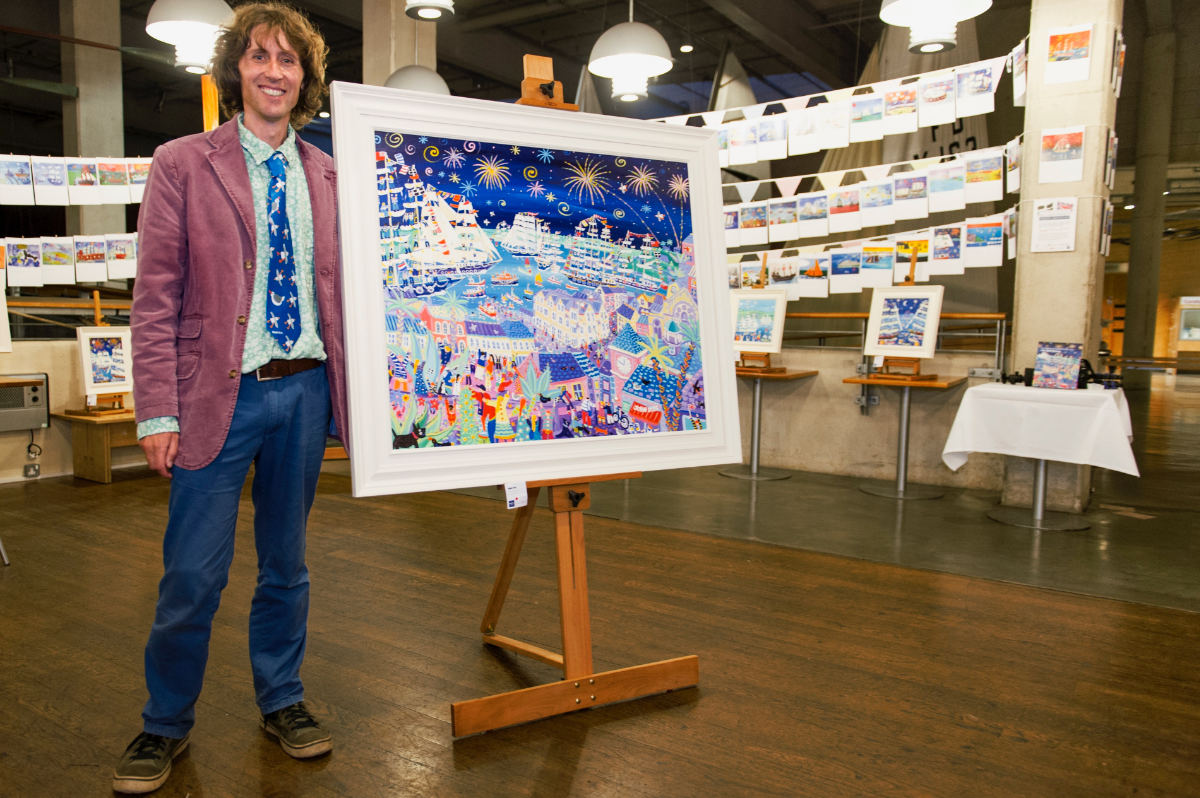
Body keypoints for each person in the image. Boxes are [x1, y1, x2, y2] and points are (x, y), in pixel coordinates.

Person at [114, 3, 347, 793]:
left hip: (306, 393)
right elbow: (155, 299)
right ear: (236, 71)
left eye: (288, 61)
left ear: (305, 79)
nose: (274, 72)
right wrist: (156, 410)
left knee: (287, 566)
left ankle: (282, 699)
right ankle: (163, 724)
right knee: (192, 577)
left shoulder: (329, 173)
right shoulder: (183, 162)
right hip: (218, 397)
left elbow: (348, 293)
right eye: (259, 58)